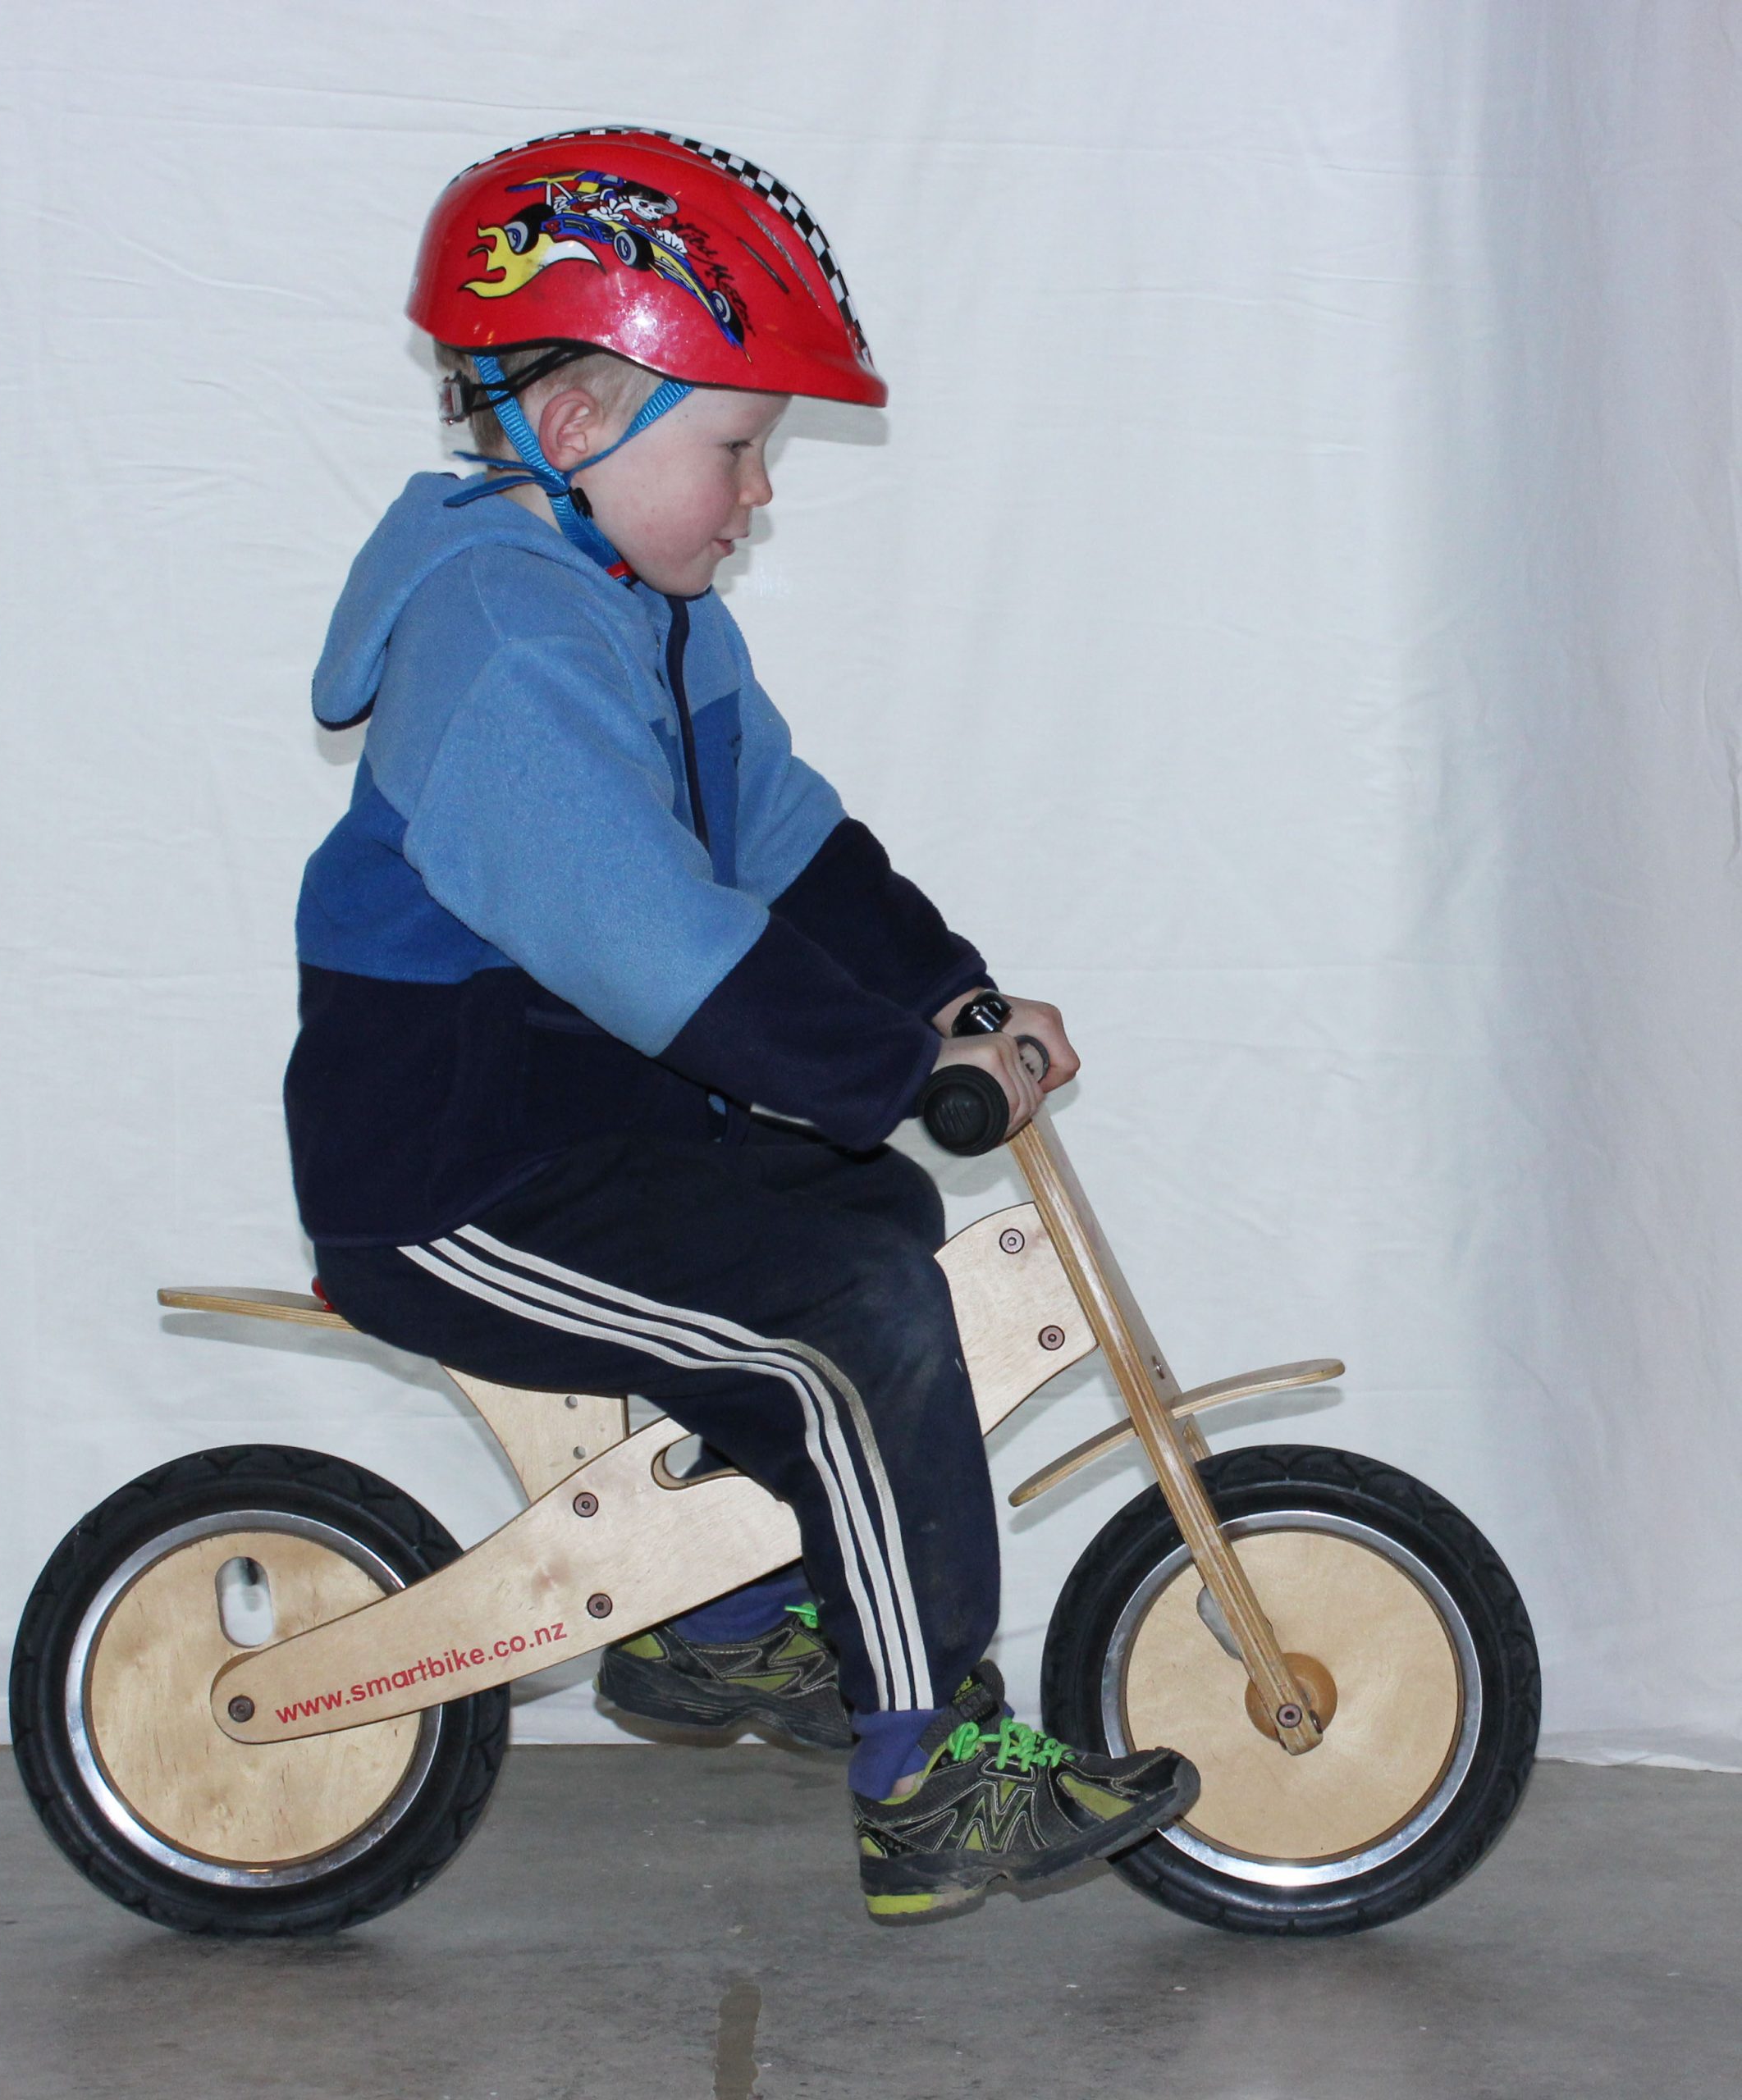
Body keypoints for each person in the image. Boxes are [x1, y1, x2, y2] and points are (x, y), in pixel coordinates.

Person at [287, 127, 1197, 1923]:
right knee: (837, 1331)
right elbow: (651, 945)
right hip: (453, 1174)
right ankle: (924, 1774)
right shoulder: (503, 634)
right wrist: (884, 1072)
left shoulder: (646, 610)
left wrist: (950, 999)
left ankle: (711, 1629)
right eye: (734, 444)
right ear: (573, 428)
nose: (759, 492)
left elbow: (781, 844)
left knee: (864, 1222)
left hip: (579, 1135)